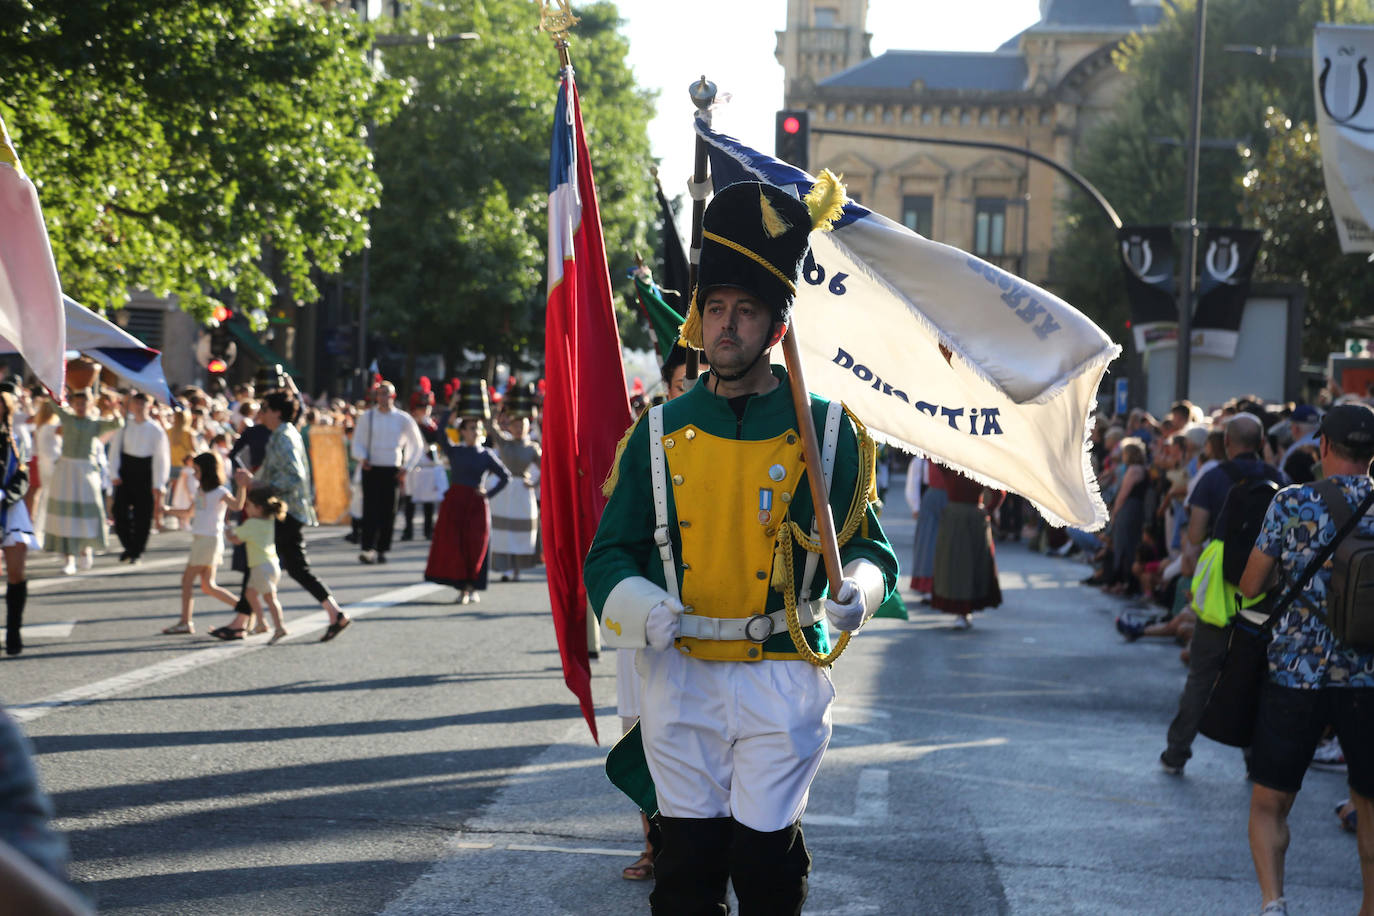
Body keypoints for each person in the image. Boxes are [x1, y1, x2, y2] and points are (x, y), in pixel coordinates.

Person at [584, 178, 898, 914]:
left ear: (777, 327)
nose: (726, 326)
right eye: (716, 309)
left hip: (782, 675)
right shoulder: (657, 432)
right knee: (686, 871)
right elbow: (610, 555)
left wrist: (858, 590)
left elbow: (873, 550)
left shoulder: (830, 431)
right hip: (681, 671)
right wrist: (639, 606)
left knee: (765, 866)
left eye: (746, 310)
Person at [1237, 403, 1374, 916]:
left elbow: (1251, 586)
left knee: (1270, 801)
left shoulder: (1293, 502)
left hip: (1297, 673)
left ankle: (1275, 904)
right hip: (1367, 677)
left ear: (1322, 447)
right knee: (1368, 804)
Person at [1155, 412, 1288, 774]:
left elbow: (1195, 536)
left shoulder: (1212, 478)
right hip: (1264, 595)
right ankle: (1254, 759)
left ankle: (1176, 752)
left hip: (1218, 597)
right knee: (1256, 677)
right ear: (1261, 443)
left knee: (1201, 676)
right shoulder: (1282, 481)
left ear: (1227, 443)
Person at [211, 389, 350, 642]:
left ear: (276, 412)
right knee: (292, 566)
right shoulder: (284, 434)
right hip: (286, 510)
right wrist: (255, 480)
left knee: (262, 560)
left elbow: (293, 476)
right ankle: (334, 613)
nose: (261, 413)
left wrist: (256, 482)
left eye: (264, 409)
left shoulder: (284, 436)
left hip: (285, 511)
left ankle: (241, 623)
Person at [424, 417, 510, 605]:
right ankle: (462, 588)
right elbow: (439, 434)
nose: (476, 432)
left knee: (475, 546)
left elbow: (505, 476)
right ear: (462, 431)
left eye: (478, 429)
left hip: (476, 505)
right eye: (472, 428)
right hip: (455, 503)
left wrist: (488, 493)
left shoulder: (485, 454)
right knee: (456, 545)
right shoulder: (455, 451)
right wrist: (450, 410)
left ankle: (473, 586)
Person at [163, 452, 244, 635]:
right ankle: (245, 609)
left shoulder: (221, 492)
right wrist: (168, 510)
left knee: (187, 580)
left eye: (197, 470)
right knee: (208, 586)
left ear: (206, 471)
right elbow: (189, 512)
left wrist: (242, 486)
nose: (194, 474)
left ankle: (185, 622)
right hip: (202, 539)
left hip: (208, 540)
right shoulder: (201, 491)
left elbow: (237, 505)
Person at [44, 389, 122, 576]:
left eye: (84, 404)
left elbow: (118, 423)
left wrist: (114, 408)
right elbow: (53, 403)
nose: (80, 407)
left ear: (91, 405)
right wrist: (53, 384)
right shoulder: (68, 418)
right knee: (66, 513)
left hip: (86, 471)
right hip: (66, 470)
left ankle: (85, 548)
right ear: (73, 404)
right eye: (77, 403)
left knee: (87, 510)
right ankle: (69, 557)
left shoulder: (95, 424)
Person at [350, 380, 424, 564]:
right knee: (370, 510)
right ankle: (368, 548)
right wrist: (362, 457)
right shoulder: (367, 417)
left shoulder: (402, 418)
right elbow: (357, 442)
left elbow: (417, 444)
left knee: (388, 511)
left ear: (393, 396)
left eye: (386, 393)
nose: (383, 397)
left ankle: (382, 548)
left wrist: (407, 466)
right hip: (372, 467)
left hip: (392, 469)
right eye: (380, 394)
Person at [930, 471, 1005, 628]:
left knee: (958, 565)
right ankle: (964, 612)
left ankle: (963, 612)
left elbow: (999, 493)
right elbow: (999, 493)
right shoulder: (978, 465)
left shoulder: (952, 464)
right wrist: (988, 510)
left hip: (957, 519)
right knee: (967, 565)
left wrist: (987, 510)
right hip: (971, 518)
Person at [108, 392, 170, 564]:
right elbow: (115, 451)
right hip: (127, 471)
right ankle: (128, 545)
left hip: (145, 472)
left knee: (142, 515)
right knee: (119, 512)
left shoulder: (156, 430)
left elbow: (161, 457)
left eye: (142, 404)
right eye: (136, 404)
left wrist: (158, 482)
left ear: (149, 407)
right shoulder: (125, 426)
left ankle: (137, 550)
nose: (138, 407)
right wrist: (114, 473)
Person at [0, 384, 36, 656]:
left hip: (10, 508)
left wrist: (7, 496)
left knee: (16, 572)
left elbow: (23, 476)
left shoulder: (16, 438)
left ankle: (14, 631)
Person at [227, 488, 289, 645]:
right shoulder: (269, 520)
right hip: (270, 564)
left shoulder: (252, 523)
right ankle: (261, 623)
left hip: (260, 566)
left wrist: (226, 528)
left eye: (248, 506)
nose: (246, 509)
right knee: (250, 593)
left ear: (258, 508)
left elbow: (236, 539)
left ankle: (279, 627)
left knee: (269, 598)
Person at [489, 403, 541, 582]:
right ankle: (505, 569)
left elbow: (546, 468)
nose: (519, 429)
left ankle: (518, 568)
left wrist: (534, 483)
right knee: (504, 531)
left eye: (522, 425)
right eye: (516, 426)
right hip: (505, 490)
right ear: (509, 427)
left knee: (522, 531)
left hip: (523, 492)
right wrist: (498, 408)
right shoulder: (505, 442)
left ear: (528, 427)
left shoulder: (532, 447)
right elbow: (491, 426)